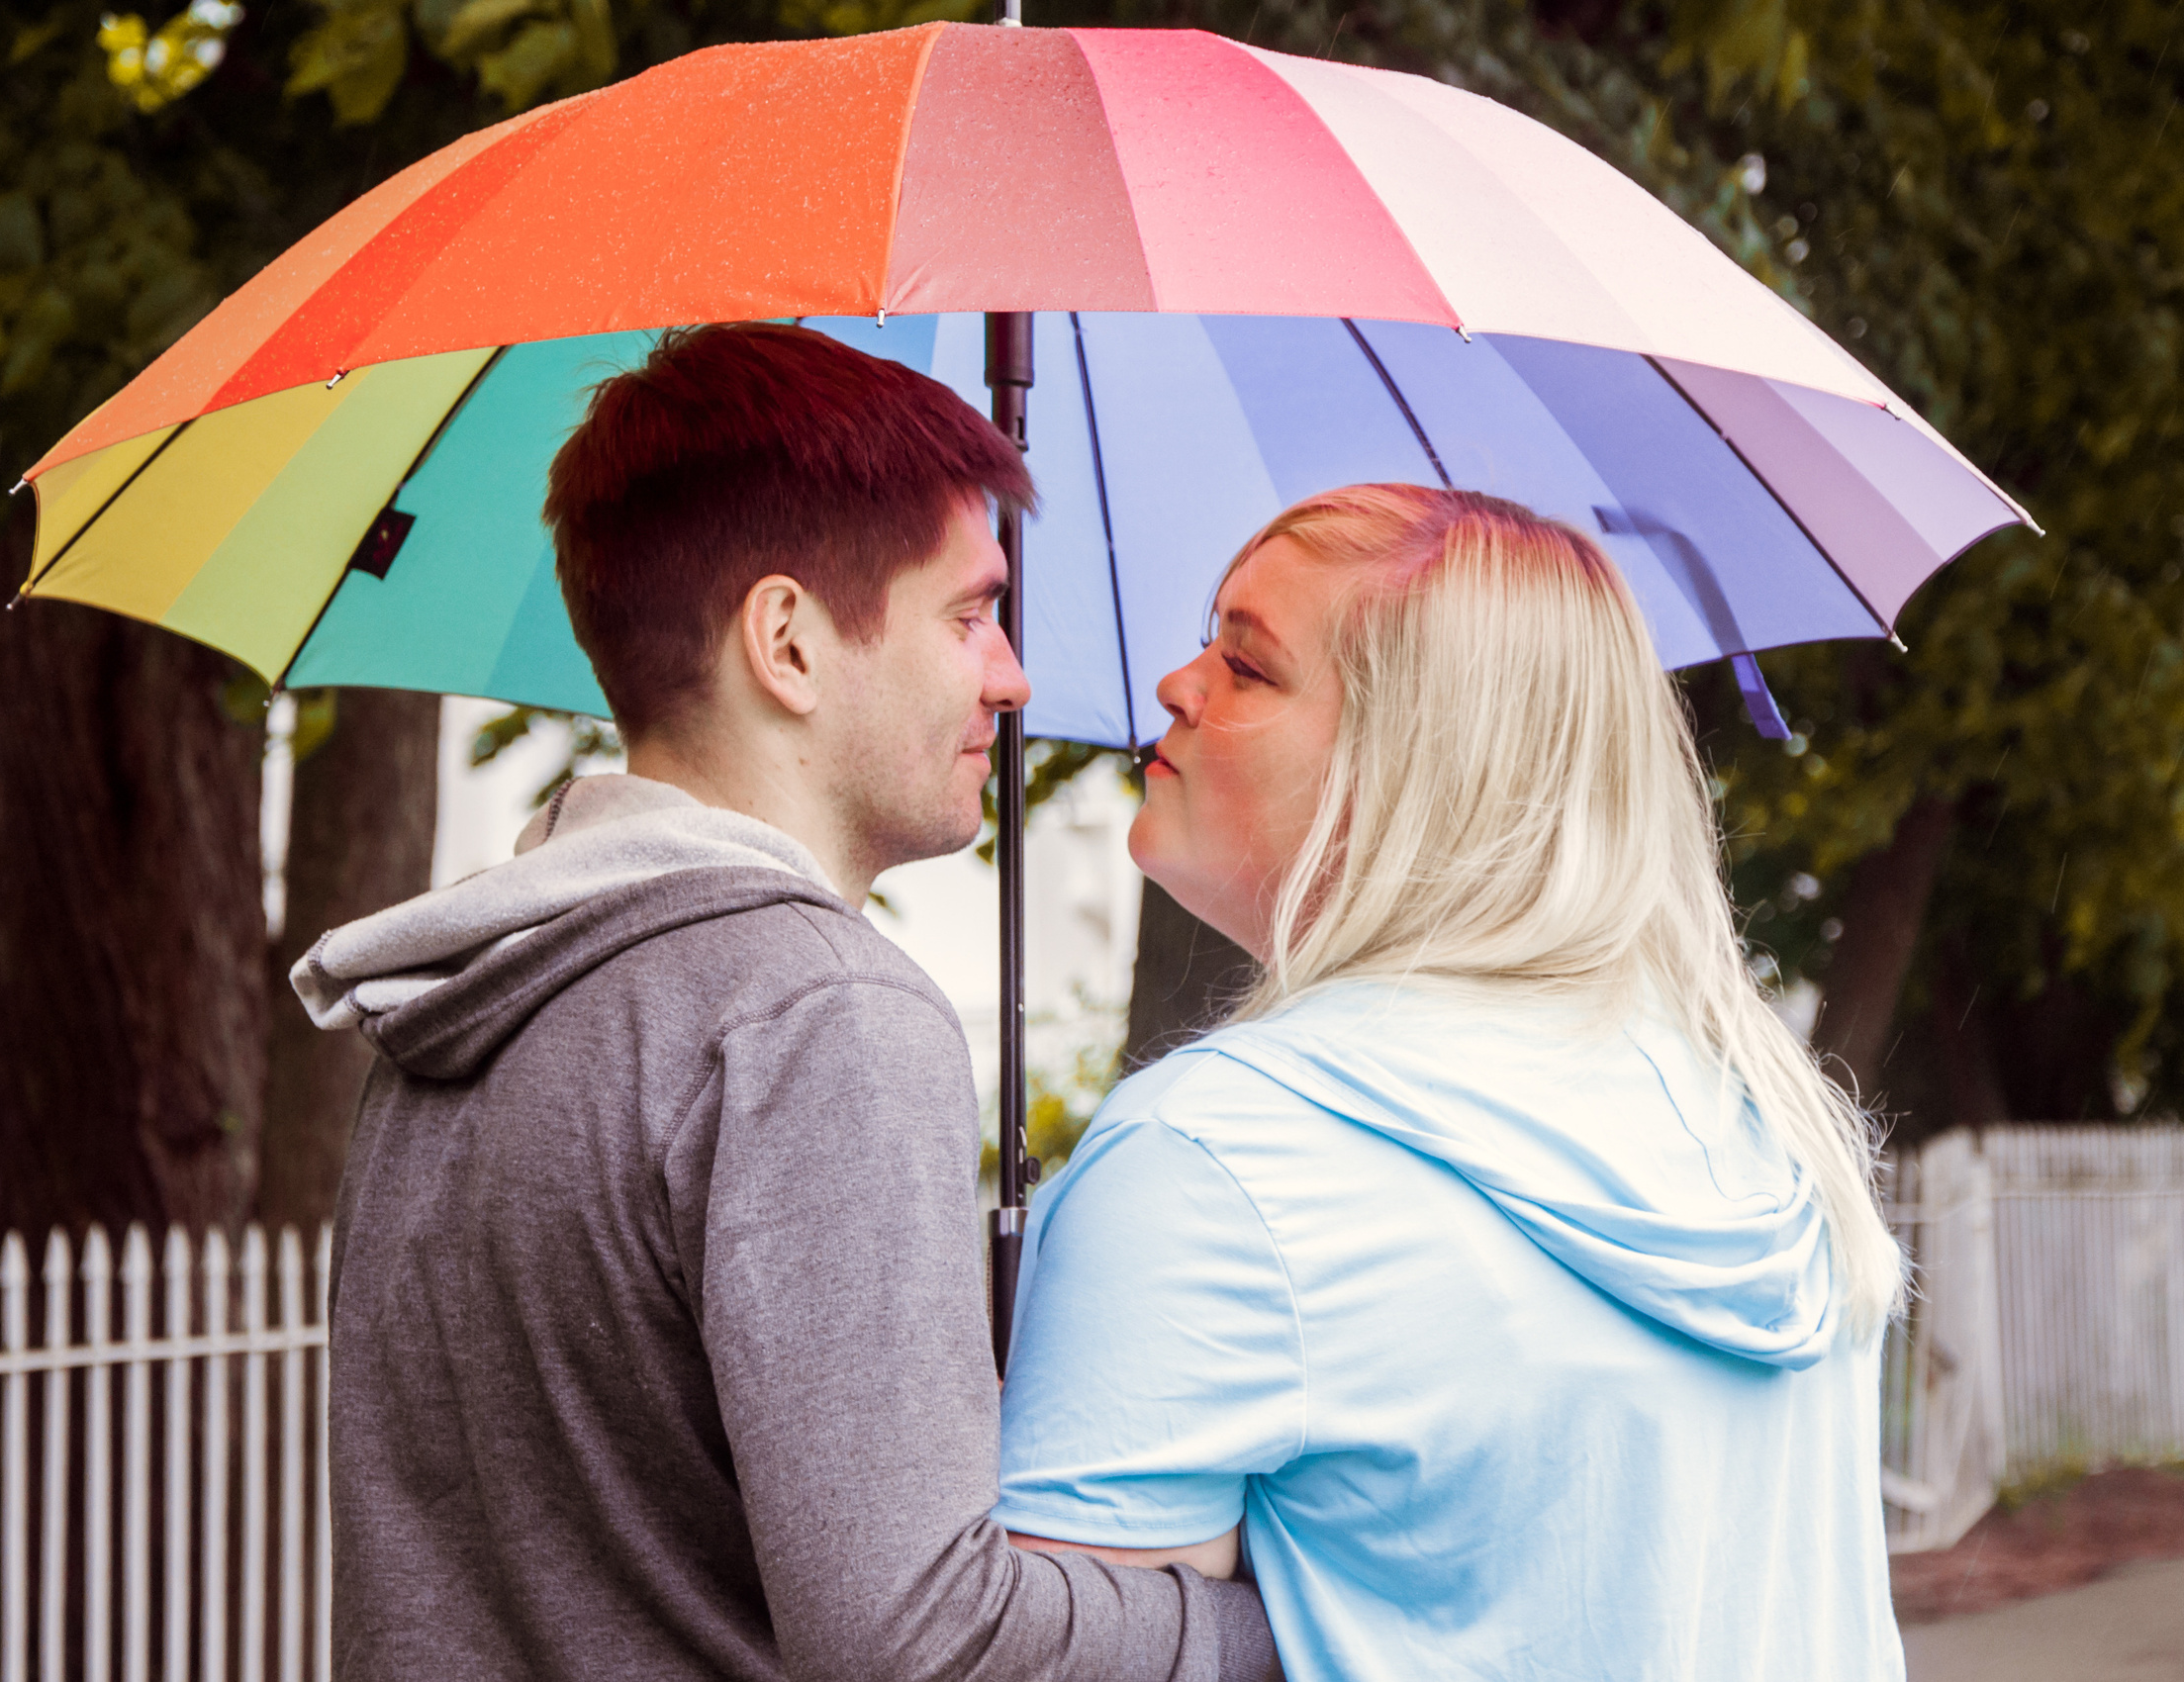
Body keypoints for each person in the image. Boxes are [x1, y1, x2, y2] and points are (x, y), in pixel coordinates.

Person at [298, 324, 1281, 1682]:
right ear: (789, 644)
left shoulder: (462, 1003)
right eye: (969, 614)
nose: (1010, 676)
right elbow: (924, 1642)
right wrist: (1284, 1628)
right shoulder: (819, 1017)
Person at [994, 485, 1907, 1680]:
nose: (1176, 683)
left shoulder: (1217, 1162)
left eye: (1246, 665)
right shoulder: (1751, 1114)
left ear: (1418, 768)